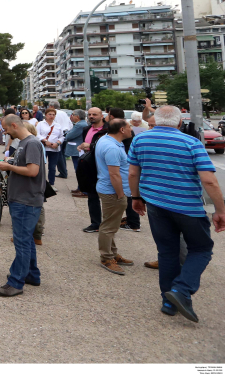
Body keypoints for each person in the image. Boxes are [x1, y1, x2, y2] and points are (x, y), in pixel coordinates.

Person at [128, 105, 225, 322]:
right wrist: (220, 210)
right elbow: (209, 180)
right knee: (202, 249)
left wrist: (136, 198)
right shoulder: (191, 143)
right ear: (179, 123)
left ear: (155, 120)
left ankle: (168, 302)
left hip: (155, 205)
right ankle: (181, 290)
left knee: (167, 252)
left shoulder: (140, 140)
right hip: (187, 208)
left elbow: (133, 172)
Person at [0, 115, 45, 296]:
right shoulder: (25, 142)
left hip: (26, 200)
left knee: (22, 242)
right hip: (23, 198)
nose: (5, 132)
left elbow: (33, 171)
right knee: (26, 240)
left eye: (6, 129)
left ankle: (16, 282)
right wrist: (11, 163)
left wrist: (9, 167)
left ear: (14, 125)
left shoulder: (31, 143)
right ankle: (32, 274)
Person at [93, 118, 135, 276]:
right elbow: (114, 174)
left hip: (108, 189)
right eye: (129, 127)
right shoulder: (112, 148)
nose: (131, 129)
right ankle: (106, 257)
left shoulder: (105, 139)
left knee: (111, 223)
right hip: (112, 191)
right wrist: (120, 194)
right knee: (109, 226)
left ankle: (112, 253)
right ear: (122, 130)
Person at [78, 107, 108, 232]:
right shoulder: (86, 129)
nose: (91, 116)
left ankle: (108, 225)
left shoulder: (108, 129)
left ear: (102, 116)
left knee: (107, 196)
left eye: (94, 114)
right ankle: (95, 223)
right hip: (89, 165)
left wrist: (90, 146)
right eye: (89, 114)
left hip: (105, 166)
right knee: (92, 195)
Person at [35, 108, 64, 189]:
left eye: (53, 114)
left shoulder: (57, 125)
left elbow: (62, 136)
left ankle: (51, 184)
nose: (51, 116)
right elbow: (37, 134)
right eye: (50, 114)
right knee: (40, 166)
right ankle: (39, 183)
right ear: (46, 115)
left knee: (52, 167)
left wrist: (58, 143)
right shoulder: (41, 124)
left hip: (54, 149)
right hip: (43, 148)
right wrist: (45, 141)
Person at [66, 110, 89, 197]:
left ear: (77, 116)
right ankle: (80, 188)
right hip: (77, 149)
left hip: (77, 150)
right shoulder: (81, 123)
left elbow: (69, 136)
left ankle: (83, 190)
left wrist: (67, 134)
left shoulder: (80, 125)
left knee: (79, 170)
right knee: (78, 170)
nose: (72, 116)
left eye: (73, 115)